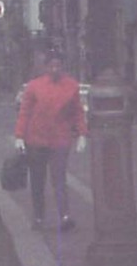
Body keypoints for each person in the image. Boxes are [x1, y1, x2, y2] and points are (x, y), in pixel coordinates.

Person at [12, 47, 87, 231]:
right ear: (46, 67)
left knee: (59, 179)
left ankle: (64, 216)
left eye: (58, 66)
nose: (54, 69)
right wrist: (19, 136)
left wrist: (82, 134)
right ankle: (38, 217)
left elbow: (77, 112)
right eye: (51, 66)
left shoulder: (71, 86)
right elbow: (25, 112)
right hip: (36, 140)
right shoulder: (34, 86)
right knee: (37, 180)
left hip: (60, 140)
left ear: (62, 67)